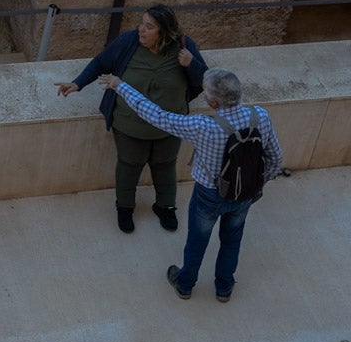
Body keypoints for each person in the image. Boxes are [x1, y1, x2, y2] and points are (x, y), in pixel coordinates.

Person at [96, 67, 282, 302]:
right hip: (245, 193)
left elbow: (156, 115)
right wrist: (257, 187)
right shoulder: (261, 117)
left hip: (209, 195)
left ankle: (185, 285)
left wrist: (120, 85)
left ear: (214, 103)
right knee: (232, 239)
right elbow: (275, 158)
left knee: (197, 240)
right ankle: (224, 288)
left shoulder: (202, 126)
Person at [56, 5, 208, 234]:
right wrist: (77, 83)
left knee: (165, 165)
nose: (142, 30)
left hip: (171, 126)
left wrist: (191, 64)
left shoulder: (184, 47)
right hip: (130, 125)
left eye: (150, 27)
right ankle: (125, 208)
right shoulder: (128, 42)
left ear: (164, 32)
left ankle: (166, 206)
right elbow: (101, 62)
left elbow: (205, 81)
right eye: (142, 24)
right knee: (129, 166)